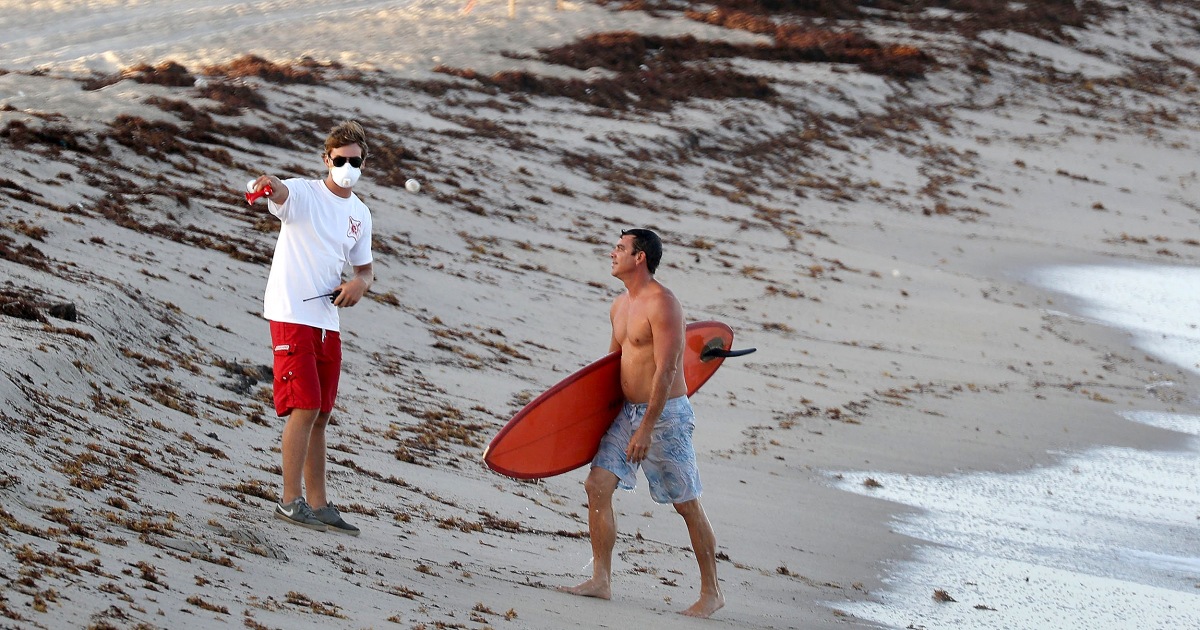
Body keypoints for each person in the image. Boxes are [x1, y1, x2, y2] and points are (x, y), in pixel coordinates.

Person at [559, 228, 725, 618]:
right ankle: (601, 579)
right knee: (597, 485)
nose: (612, 253)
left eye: (620, 248)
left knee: (686, 504)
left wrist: (646, 429)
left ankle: (712, 592)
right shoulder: (619, 306)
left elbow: (667, 369)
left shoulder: (663, 304)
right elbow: (610, 368)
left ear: (640, 258)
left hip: (664, 416)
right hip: (627, 412)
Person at [250, 121, 374, 536]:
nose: (347, 167)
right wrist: (269, 185)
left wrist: (359, 285)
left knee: (321, 413)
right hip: (291, 313)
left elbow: (365, 268)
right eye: (340, 160)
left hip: (327, 318)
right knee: (303, 407)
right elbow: (280, 194)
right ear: (326, 159)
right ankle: (289, 501)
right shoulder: (303, 193)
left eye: (354, 161)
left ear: (363, 162)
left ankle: (319, 504)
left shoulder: (359, 213)